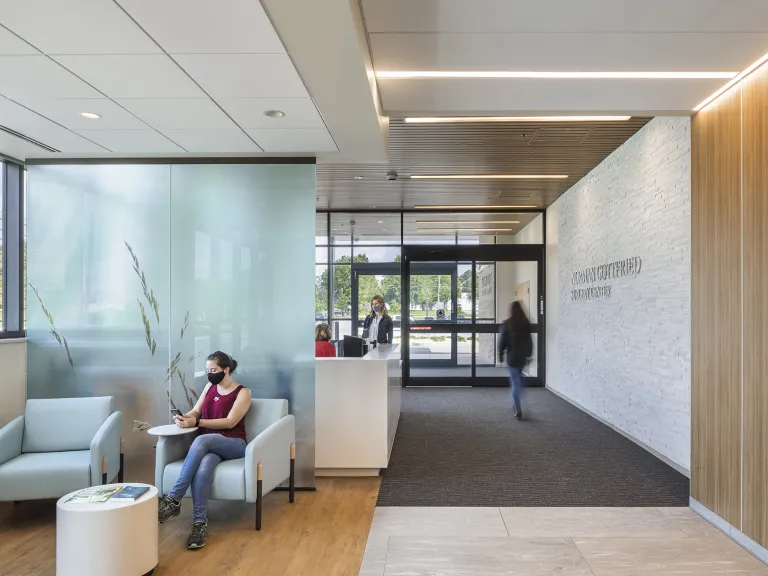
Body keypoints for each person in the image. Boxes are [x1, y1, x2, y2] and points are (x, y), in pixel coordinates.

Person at [157, 351, 252, 549]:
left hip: (233, 443)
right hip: (208, 445)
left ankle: (174, 498)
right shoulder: (210, 386)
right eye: (208, 370)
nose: (209, 374)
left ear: (226, 370)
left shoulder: (243, 392)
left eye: (213, 370)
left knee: (202, 440)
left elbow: (230, 422)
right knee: (204, 466)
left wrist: (197, 422)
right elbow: (196, 411)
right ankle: (199, 524)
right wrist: (185, 418)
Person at [498, 301, 532, 420]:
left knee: (515, 383)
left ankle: (517, 408)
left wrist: (500, 354)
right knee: (518, 381)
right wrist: (529, 354)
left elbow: (503, 341)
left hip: (512, 358)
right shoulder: (525, 323)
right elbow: (529, 341)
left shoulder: (508, 323)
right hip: (521, 358)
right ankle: (515, 404)